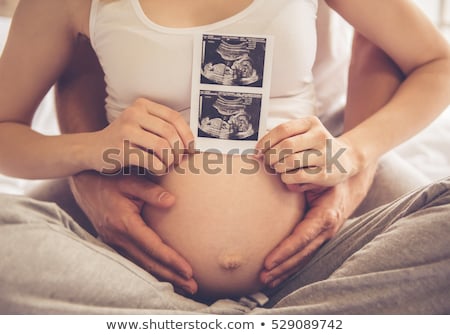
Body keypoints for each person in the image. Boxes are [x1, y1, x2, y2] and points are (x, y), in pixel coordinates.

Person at [0, 0, 449, 311]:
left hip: (319, 262)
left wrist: (353, 152)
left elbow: (435, 62)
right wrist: (90, 150)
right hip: (129, 271)